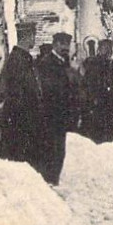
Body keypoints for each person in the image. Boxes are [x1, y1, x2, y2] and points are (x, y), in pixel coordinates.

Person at [0, 20, 43, 172]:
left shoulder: (17, 59)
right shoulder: (19, 61)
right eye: (33, 35)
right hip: (20, 124)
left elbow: (0, 89)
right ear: (29, 37)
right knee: (19, 166)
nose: (34, 39)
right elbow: (24, 92)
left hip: (18, 122)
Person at [36, 32, 76, 185]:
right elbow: (51, 89)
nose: (65, 47)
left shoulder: (63, 62)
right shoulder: (47, 63)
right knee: (52, 150)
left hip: (60, 115)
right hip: (51, 114)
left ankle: (53, 179)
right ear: (55, 45)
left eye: (67, 44)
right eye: (62, 44)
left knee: (59, 150)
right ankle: (50, 180)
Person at [81, 38, 113, 142]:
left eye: (110, 48)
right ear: (99, 49)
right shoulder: (93, 62)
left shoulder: (110, 63)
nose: (108, 51)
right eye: (105, 48)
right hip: (97, 100)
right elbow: (88, 82)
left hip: (109, 100)